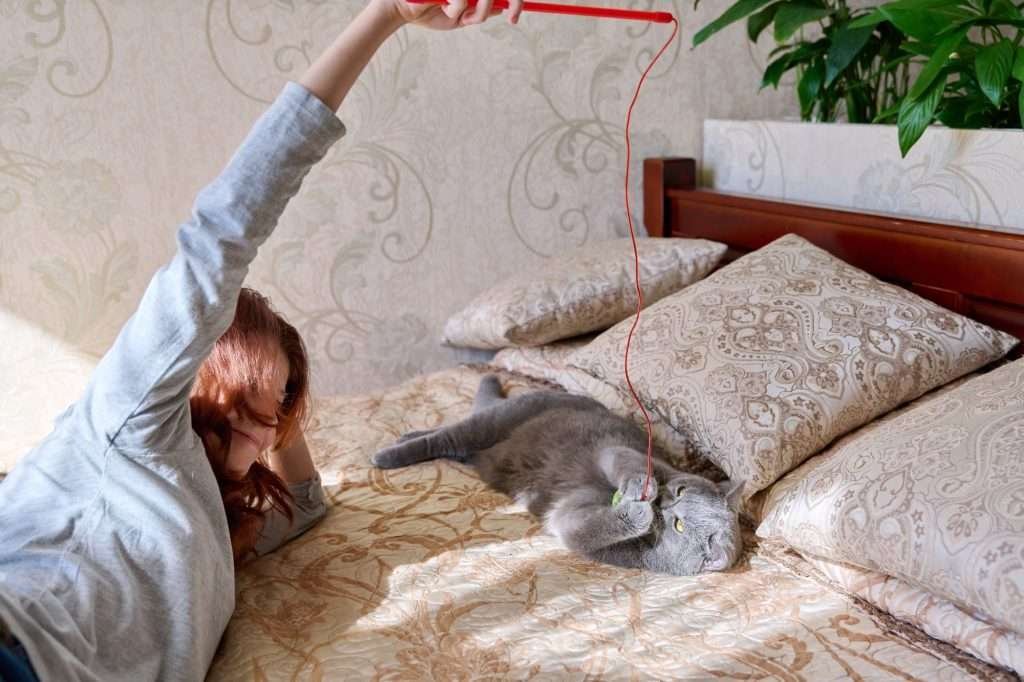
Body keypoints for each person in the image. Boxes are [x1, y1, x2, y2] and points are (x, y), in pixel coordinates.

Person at [0, 0, 523, 679]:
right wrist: (386, 15)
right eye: (255, 396)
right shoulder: (132, 426)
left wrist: (282, 409)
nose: (269, 423)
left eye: (278, 407)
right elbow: (218, 239)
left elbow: (306, 507)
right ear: (194, 367)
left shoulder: (216, 519)